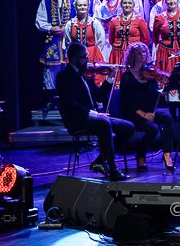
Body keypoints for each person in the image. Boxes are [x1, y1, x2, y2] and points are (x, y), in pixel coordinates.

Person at [56, 40, 132, 181]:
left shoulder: (85, 75)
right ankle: (112, 168)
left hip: (93, 116)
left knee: (128, 127)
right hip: (77, 119)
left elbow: (99, 96)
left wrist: (110, 78)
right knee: (104, 123)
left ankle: (100, 161)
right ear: (74, 58)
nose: (87, 60)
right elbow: (71, 104)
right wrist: (96, 114)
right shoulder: (64, 77)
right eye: (84, 57)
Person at [111, 43, 174, 170]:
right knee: (152, 128)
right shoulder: (127, 76)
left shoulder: (150, 74)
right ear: (133, 56)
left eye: (144, 52)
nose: (142, 55)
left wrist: (162, 92)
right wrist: (143, 114)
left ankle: (167, 154)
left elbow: (154, 95)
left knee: (167, 117)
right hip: (132, 113)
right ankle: (141, 153)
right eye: (139, 53)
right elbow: (127, 102)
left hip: (148, 111)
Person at [65, 0, 112, 107]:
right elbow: (68, 42)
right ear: (75, 7)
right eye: (80, 5)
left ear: (88, 6)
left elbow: (100, 41)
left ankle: (96, 105)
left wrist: (94, 54)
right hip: (76, 58)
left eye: (84, 5)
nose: (82, 7)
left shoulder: (94, 23)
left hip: (92, 55)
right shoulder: (70, 24)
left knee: (94, 83)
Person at [35, 0, 71, 93]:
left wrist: (68, 28)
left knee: (71, 73)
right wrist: (51, 28)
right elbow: (39, 21)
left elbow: (82, 17)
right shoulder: (47, 0)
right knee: (52, 74)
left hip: (70, 42)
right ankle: (53, 98)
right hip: (53, 43)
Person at [106, 0, 151, 86]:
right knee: (117, 81)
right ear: (121, 5)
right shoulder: (114, 21)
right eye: (125, 3)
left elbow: (146, 40)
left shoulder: (139, 20)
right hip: (117, 54)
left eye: (130, 3)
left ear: (133, 5)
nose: (127, 5)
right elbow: (111, 40)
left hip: (133, 55)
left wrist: (136, 51)